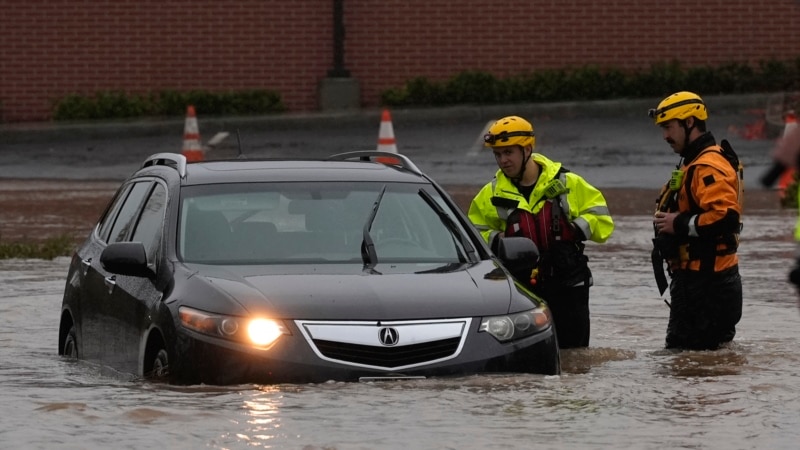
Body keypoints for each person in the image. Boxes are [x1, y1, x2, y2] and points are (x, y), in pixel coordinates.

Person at [468, 115, 614, 349]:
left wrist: (575, 229)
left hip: (569, 285)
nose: (502, 160)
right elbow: (473, 235)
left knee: (573, 360)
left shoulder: (568, 183)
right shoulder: (489, 194)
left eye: (508, 153)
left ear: (527, 149)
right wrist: (498, 240)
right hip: (523, 291)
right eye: (497, 154)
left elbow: (603, 221)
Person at [649, 91, 744, 350]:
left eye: (669, 127)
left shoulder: (706, 166)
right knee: (698, 369)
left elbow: (726, 218)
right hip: (703, 283)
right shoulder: (694, 162)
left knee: (686, 367)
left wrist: (678, 224)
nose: (665, 136)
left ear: (689, 122)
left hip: (706, 287)